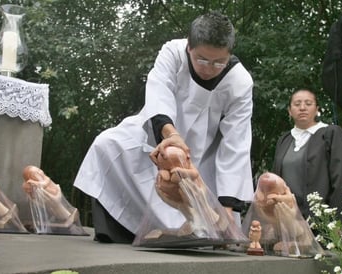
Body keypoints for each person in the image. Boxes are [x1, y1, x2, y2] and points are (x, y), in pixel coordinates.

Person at [73, 10, 254, 243]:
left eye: (219, 62)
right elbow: (159, 91)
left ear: (229, 55)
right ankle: (121, 231)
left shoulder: (240, 82)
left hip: (205, 155)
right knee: (108, 144)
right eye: (202, 59)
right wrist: (172, 137)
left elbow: (236, 143)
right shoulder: (173, 51)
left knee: (207, 203)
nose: (209, 68)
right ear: (189, 46)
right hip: (159, 136)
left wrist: (227, 212)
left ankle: (199, 230)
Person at [272, 89, 342, 218]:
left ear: (317, 109)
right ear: (289, 111)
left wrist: (337, 221)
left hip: (321, 220)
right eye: (297, 104)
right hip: (287, 218)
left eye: (308, 104)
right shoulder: (284, 139)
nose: (302, 108)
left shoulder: (330, 134)